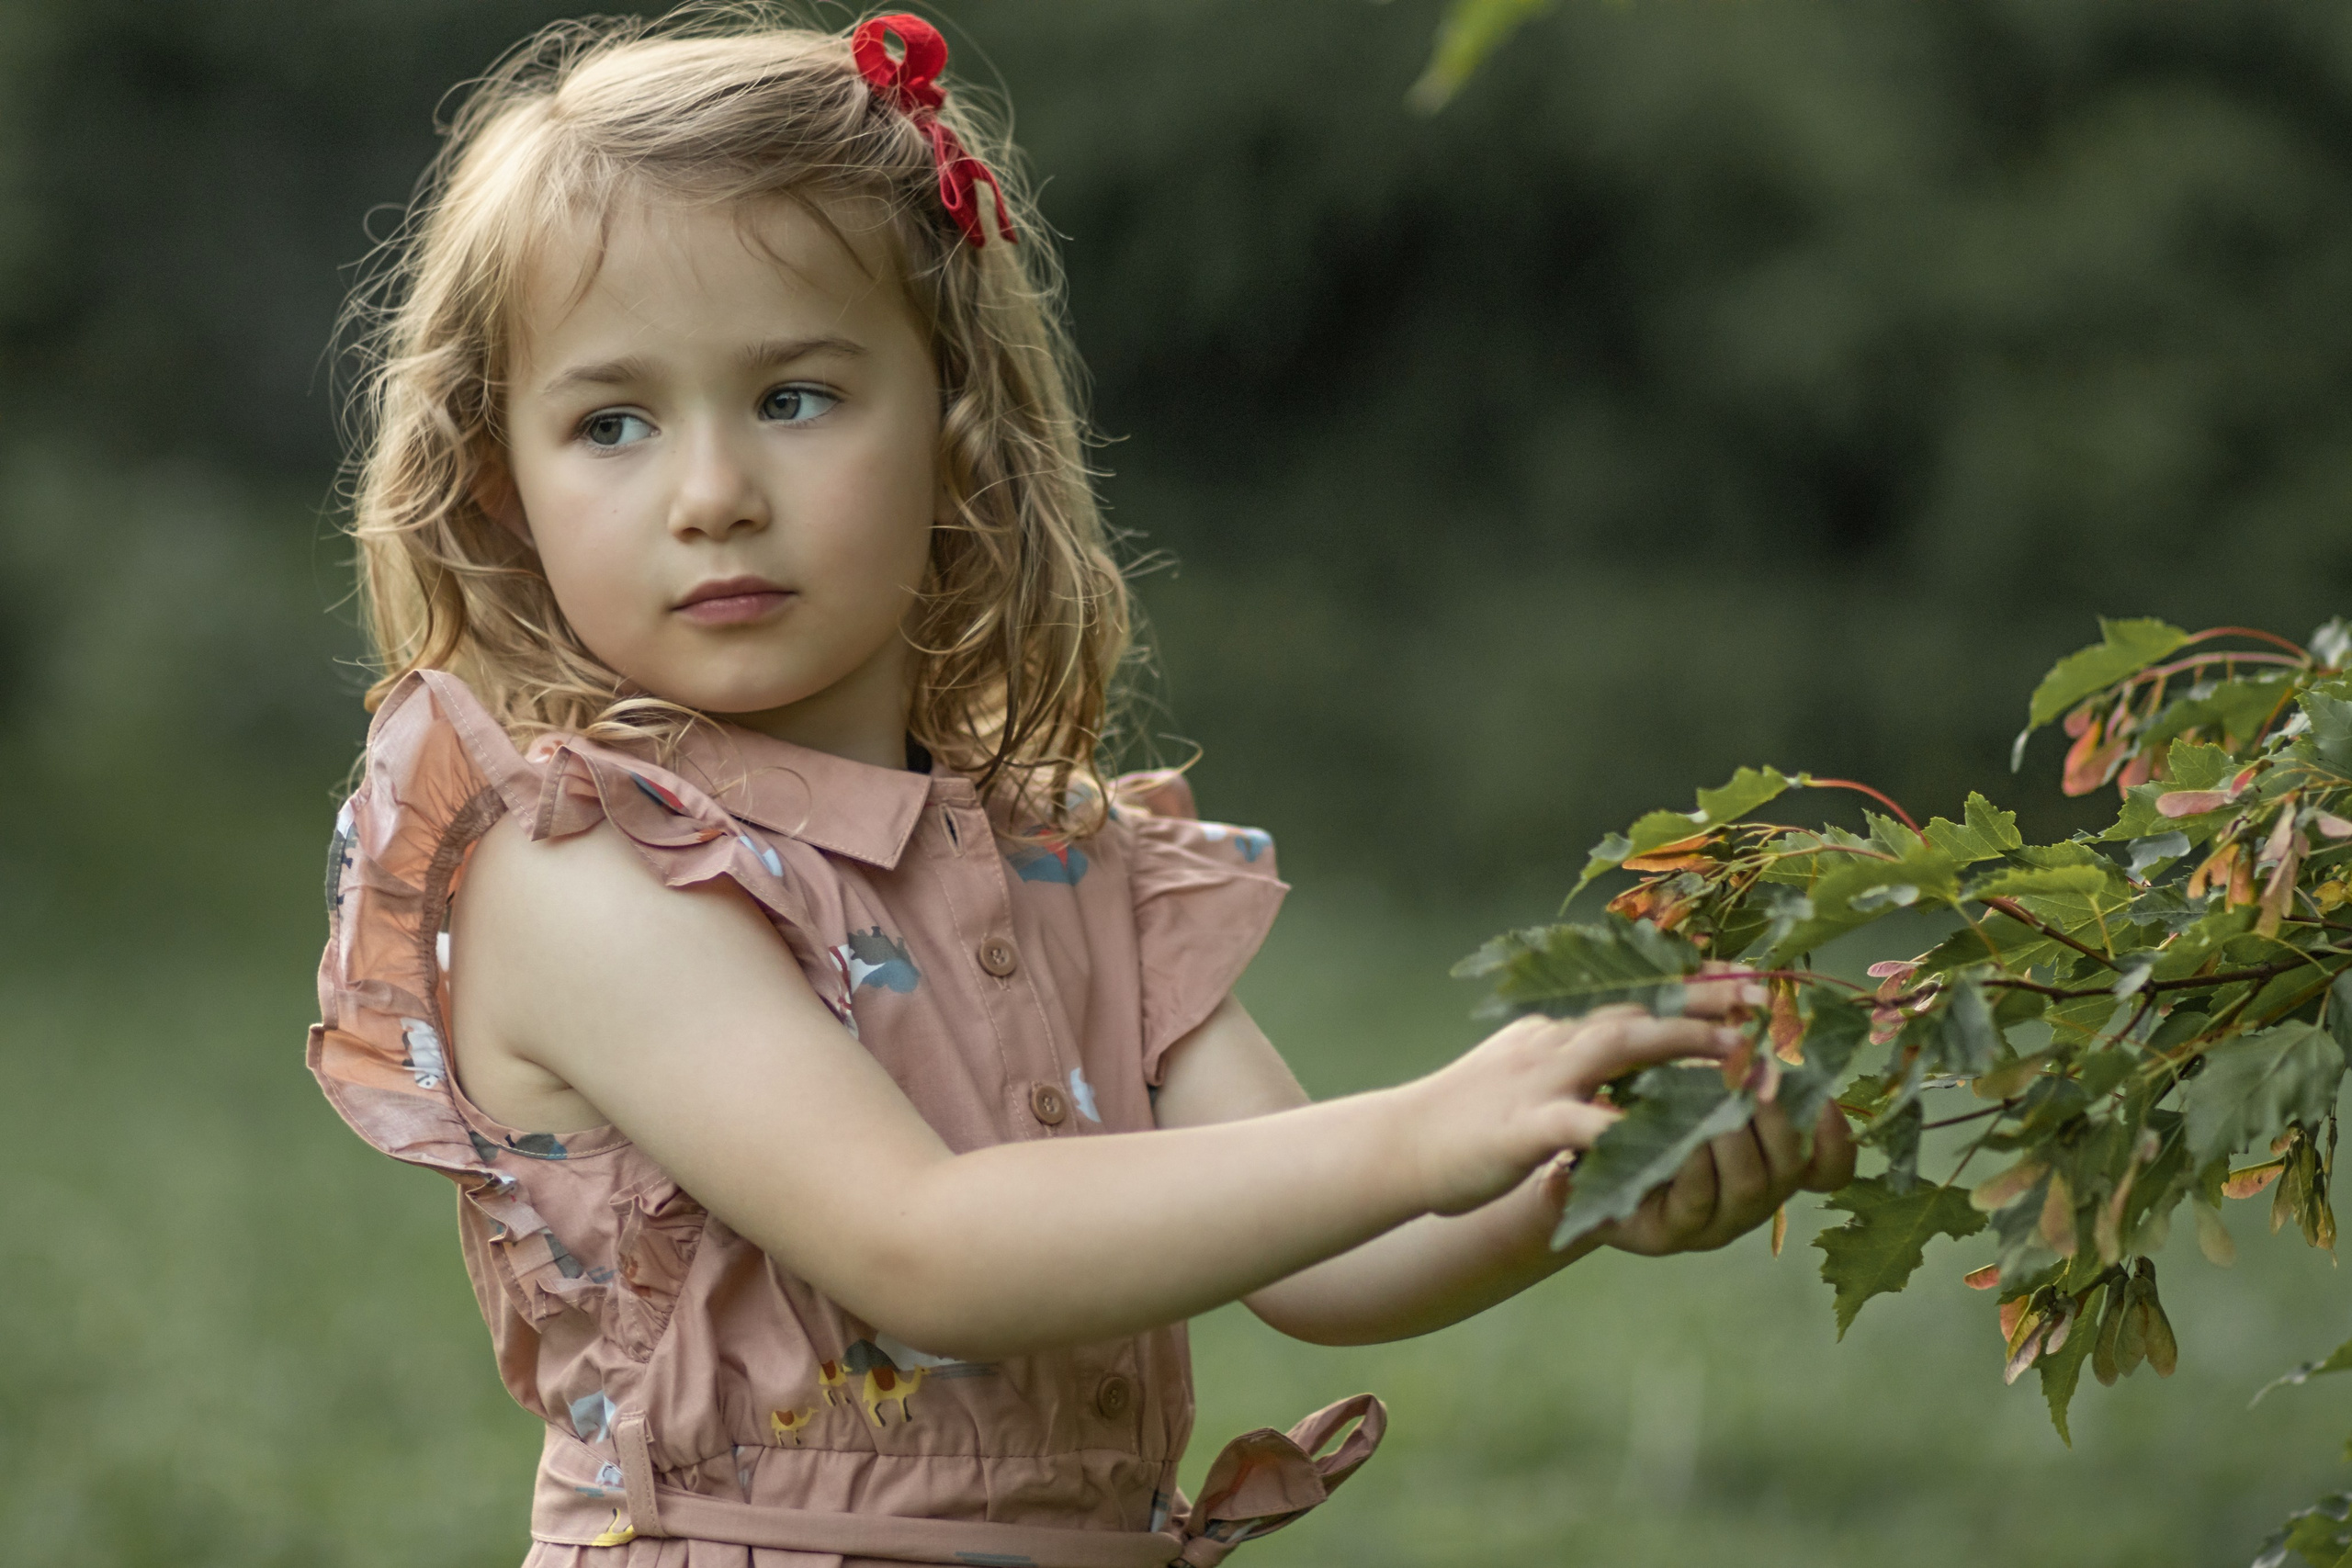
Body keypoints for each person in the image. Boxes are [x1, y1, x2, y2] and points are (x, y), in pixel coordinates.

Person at [310, 9, 1855, 1564]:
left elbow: (1329, 1270)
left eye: (794, 398)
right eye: (613, 424)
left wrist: (1578, 1177)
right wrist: (1437, 1119)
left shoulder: (1070, 862)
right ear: (501, 486)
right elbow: (922, 1247)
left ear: (956, 425)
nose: (712, 495)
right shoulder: (580, 871)